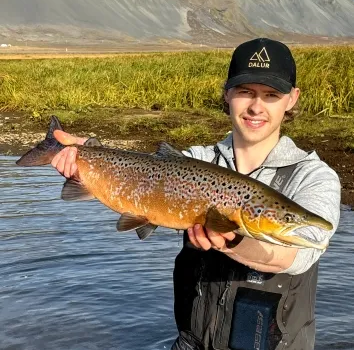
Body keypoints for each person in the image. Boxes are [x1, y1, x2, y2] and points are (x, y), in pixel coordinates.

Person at [50, 38, 341, 350]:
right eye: (245, 92)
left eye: (271, 95)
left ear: (292, 99)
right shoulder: (197, 161)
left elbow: (300, 254)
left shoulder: (314, 177)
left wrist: (235, 241)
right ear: (227, 93)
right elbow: (142, 172)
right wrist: (90, 155)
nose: (256, 106)